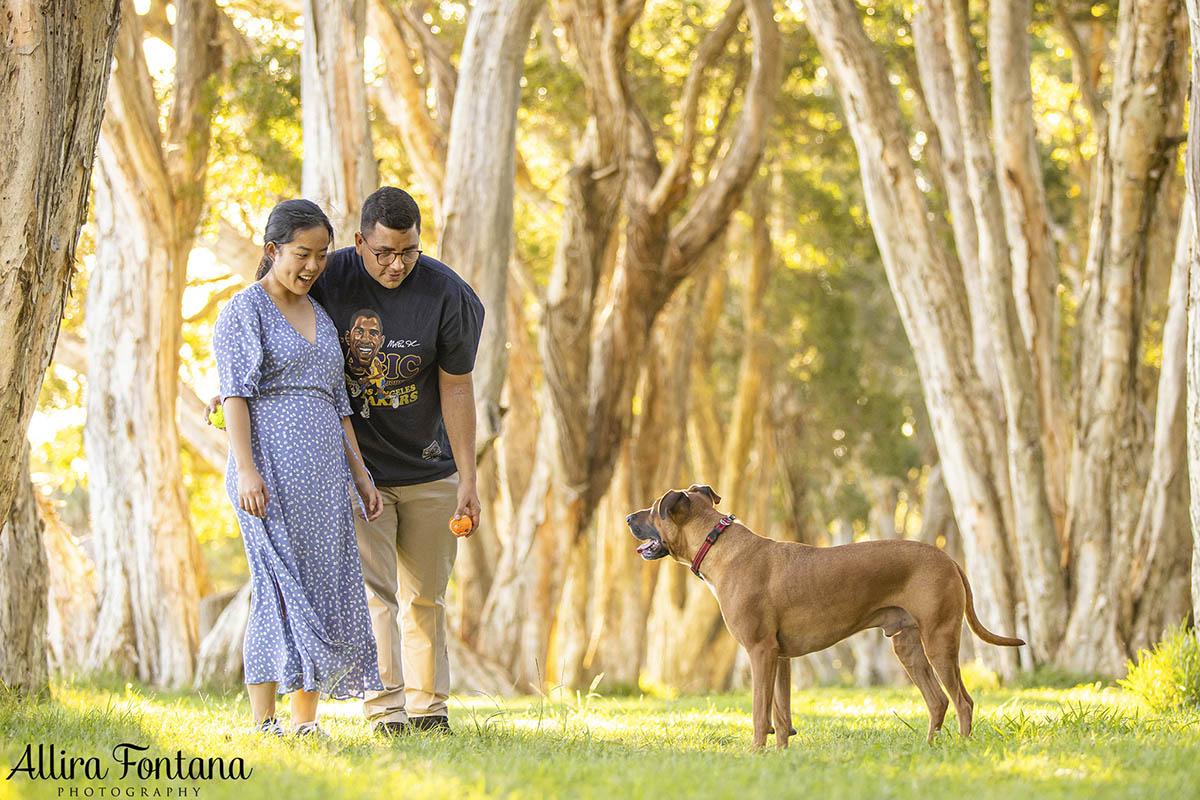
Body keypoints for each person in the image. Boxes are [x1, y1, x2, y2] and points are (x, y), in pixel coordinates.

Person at [309, 187, 484, 735]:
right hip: (359, 472)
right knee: (375, 595)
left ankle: (429, 711)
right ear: (360, 241)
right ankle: (385, 712)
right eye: (383, 252)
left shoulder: (446, 294)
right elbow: (267, 312)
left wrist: (468, 479)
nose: (396, 264)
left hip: (431, 467)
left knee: (426, 597)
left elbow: (457, 389)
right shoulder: (328, 277)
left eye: (408, 251)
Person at [213, 199, 385, 737]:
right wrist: (245, 470)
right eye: (301, 254)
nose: (311, 266)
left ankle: (305, 722)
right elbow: (235, 394)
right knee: (277, 587)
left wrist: (361, 477)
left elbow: (339, 406)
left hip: (325, 476)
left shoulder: (323, 316)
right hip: (267, 471)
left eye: (320, 256)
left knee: (321, 588)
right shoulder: (245, 310)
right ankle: (265, 722)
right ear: (273, 251)